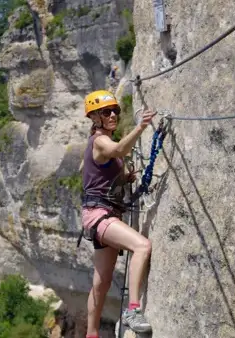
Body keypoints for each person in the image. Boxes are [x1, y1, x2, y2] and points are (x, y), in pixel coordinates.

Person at [79, 90, 156, 337]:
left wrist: (125, 177)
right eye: (105, 112)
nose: (112, 115)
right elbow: (120, 149)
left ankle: (91, 334)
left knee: (101, 283)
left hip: (100, 214)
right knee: (142, 246)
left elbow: (100, 174)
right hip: (100, 215)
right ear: (94, 117)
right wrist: (141, 127)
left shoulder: (102, 141)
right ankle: (133, 310)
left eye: (115, 111)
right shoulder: (100, 140)